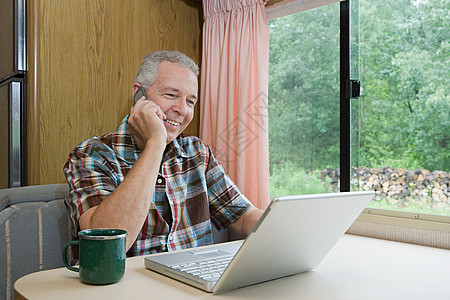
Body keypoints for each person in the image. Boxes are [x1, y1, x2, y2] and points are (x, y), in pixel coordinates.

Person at [64, 50, 264, 256]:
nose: (183, 110)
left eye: (190, 101)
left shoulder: (197, 153)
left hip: (192, 283)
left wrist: (289, 230)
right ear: (138, 95)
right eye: (171, 95)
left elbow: (243, 216)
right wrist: (155, 142)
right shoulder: (91, 154)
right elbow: (103, 246)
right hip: (128, 285)